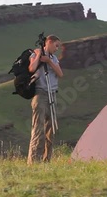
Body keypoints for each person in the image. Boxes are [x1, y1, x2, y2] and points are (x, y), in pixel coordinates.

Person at [27, 34, 63, 164]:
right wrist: (38, 56)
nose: (57, 48)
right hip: (40, 94)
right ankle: (33, 161)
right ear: (49, 42)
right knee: (38, 129)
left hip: (52, 94)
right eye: (56, 45)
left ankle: (46, 159)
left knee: (50, 130)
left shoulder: (53, 58)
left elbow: (60, 73)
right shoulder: (35, 54)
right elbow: (31, 68)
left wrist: (49, 61)